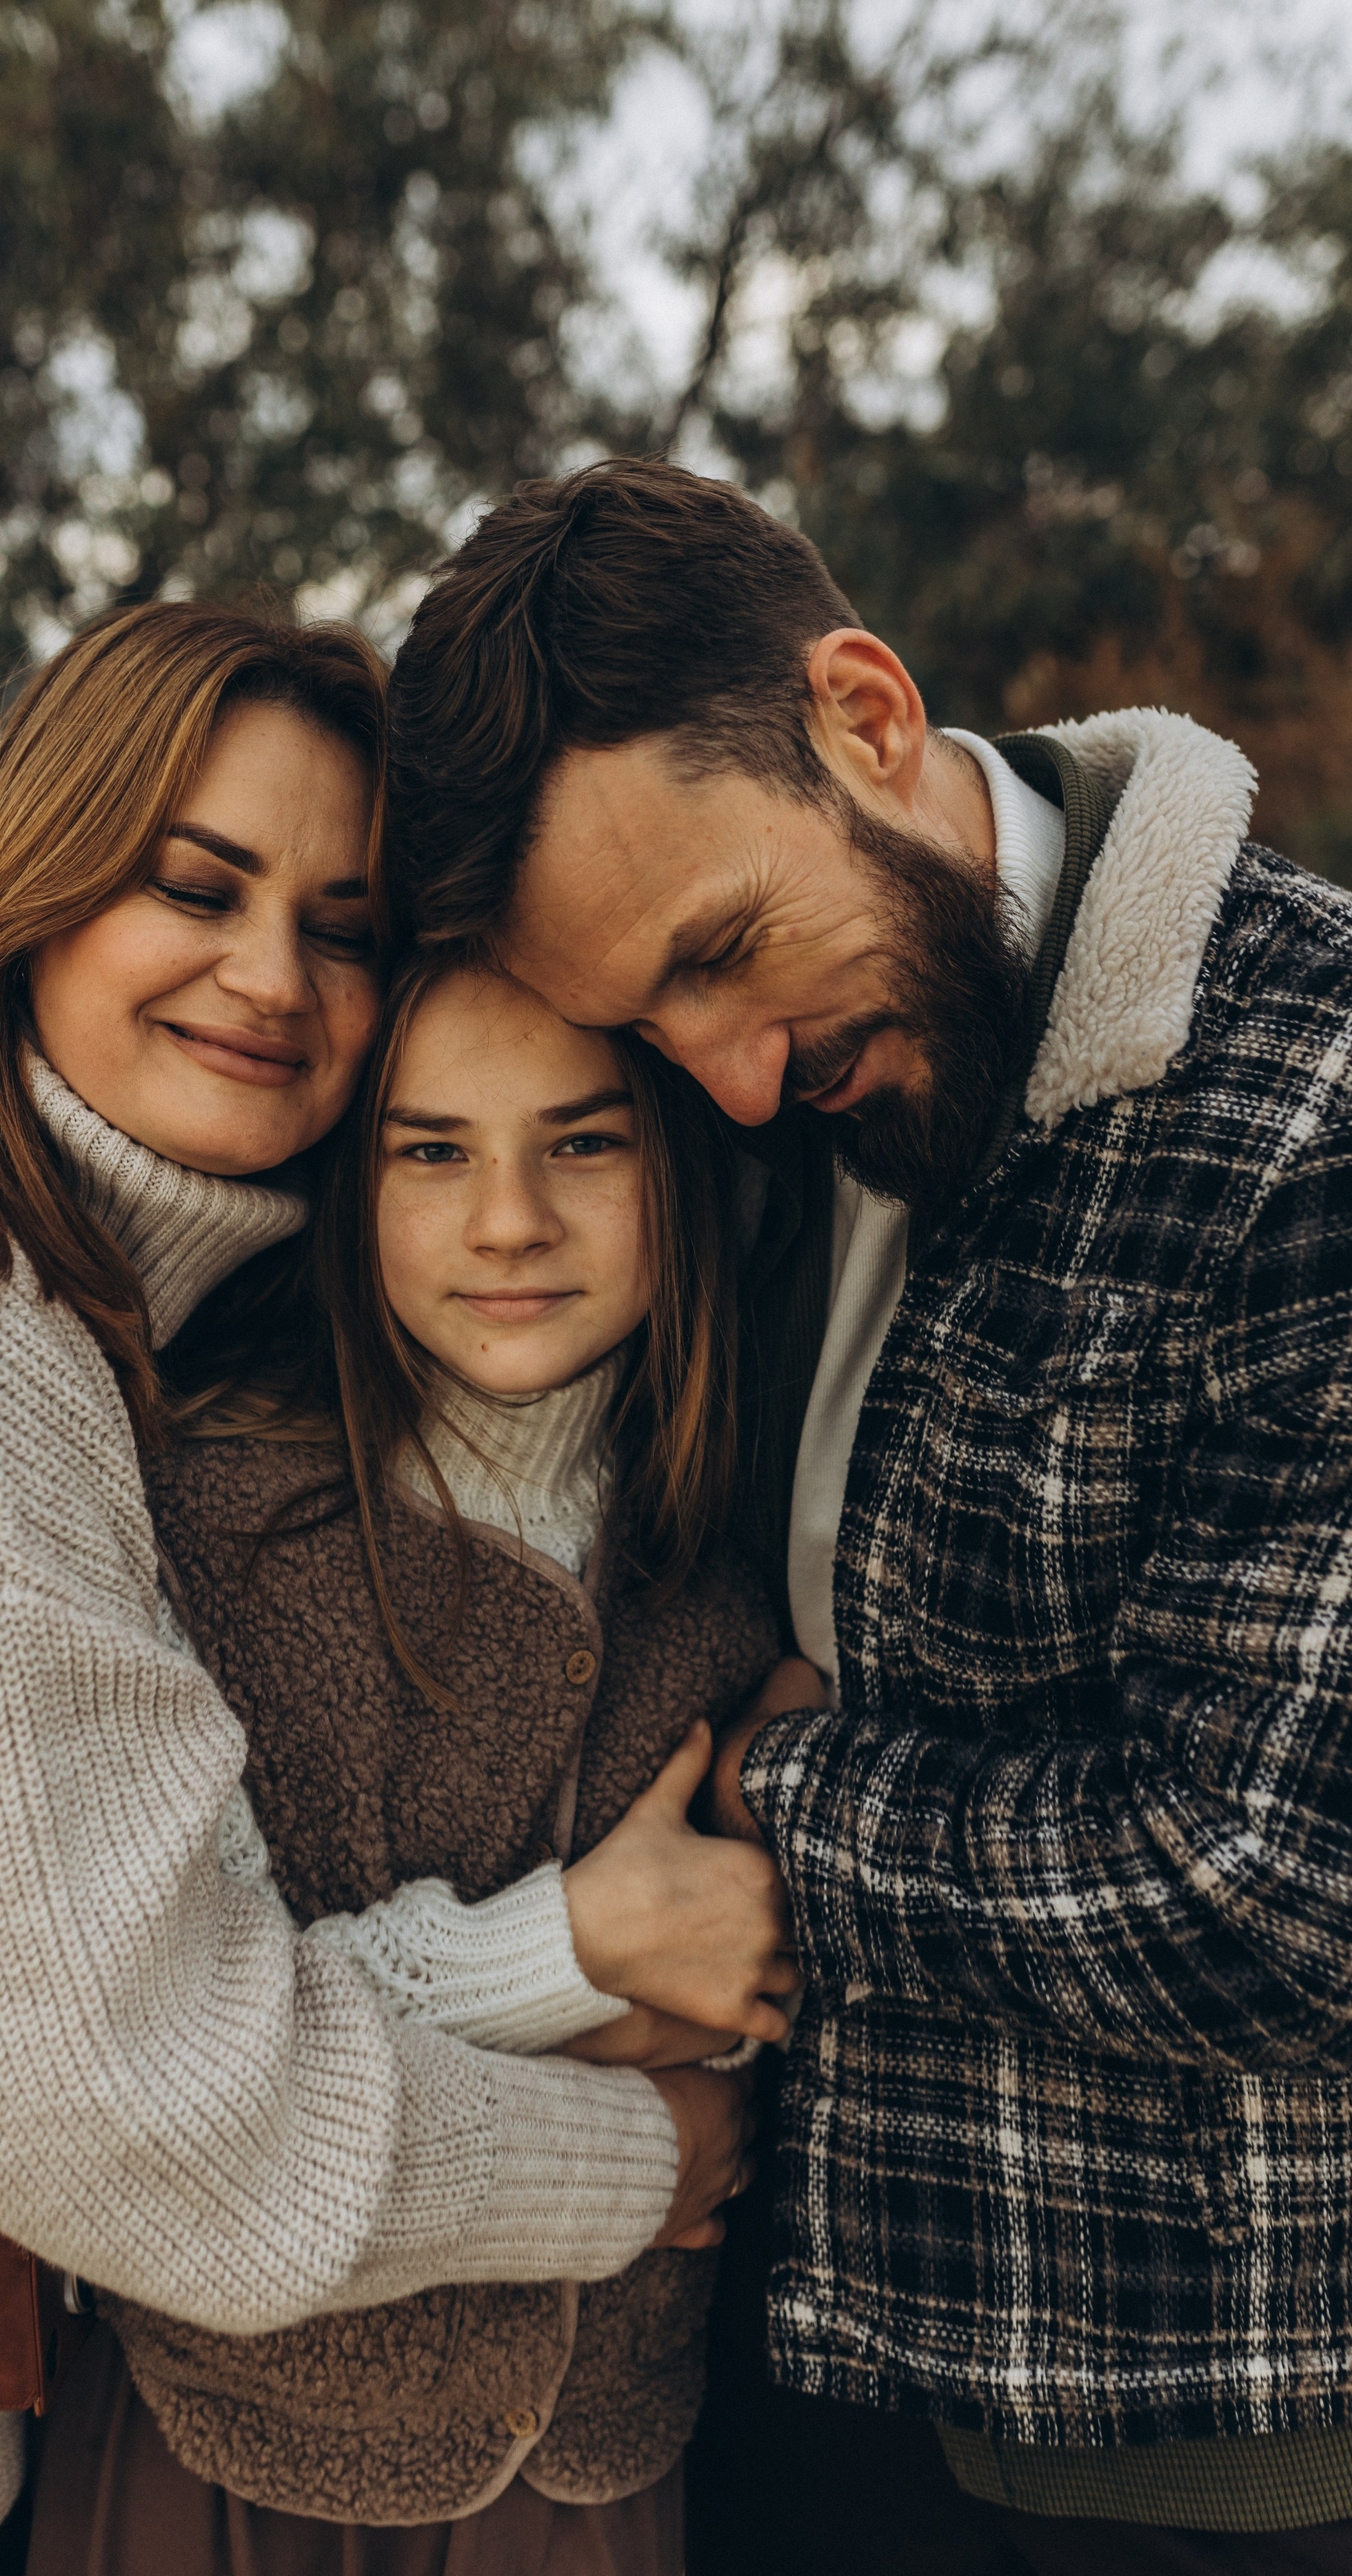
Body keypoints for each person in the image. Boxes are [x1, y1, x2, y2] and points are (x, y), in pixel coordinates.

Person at [0, 600, 751, 2576]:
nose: (271, 976)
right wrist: (647, 2157)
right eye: (195, 889)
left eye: (343, 926)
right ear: (32, 890)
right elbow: (159, 2114)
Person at [383, 458, 1352, 2573]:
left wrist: (778, 1802)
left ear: (867, 715)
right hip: (775, 2361)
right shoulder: (729, 1106)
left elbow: (1281, 1888)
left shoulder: (1314, 1100)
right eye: (649, 1024)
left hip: (1169, 2432)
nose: (731, 1080)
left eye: (726, 957)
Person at [27, 957, 791, 2576]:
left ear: (677, 1164)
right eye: (431, 1151)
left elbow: (741, 1994)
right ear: (345, 1183)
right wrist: (577, 1956)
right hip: (231, 2439)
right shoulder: (201, 1524)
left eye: (582, 1143)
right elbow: (175, 2038)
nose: (508, 1222)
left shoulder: (738, 1559)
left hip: (590, 2456)